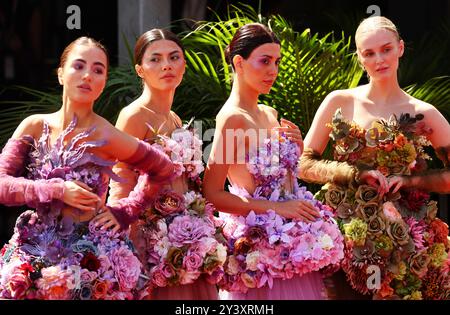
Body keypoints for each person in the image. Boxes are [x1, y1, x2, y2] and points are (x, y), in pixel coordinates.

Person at [0, 37, 174, 300]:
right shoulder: (34, 126)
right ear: (60, 74)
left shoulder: (107, 134)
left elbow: (163, 168)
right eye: (78, 66)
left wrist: (125, 211)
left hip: (93, 259)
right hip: (36, 252)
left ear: (103, 82)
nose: (88, 76)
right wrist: (57, 190)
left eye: (98, 70)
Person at [299, 16, 450, 300]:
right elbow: (304, 164)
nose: (379, 59)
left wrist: (409, 180)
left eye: (386, 49)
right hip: (342, 239)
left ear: (401, 48)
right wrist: (353, 174)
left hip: (407, 243)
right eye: (369, 53)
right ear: (359, 58)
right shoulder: (339, 101)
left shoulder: (423, 112)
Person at [203, 23, 344, 300]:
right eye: (264, 61)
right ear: (239, 63)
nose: (273, 71)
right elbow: (212, 194)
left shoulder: (269, 113)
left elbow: (284, 181)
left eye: (277, 62)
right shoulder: (233, 119)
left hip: (293, 245)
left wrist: (296, 149)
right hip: (261, 255)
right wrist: (280, 209)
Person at [107, 29, 223, 300]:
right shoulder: (133, 116)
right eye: (155, 59)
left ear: (183, 65)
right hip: (152, 242)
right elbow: (120, 181)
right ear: (139, 70)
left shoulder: (175, 118)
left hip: (188, 240)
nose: (166, 65)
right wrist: (123, 242)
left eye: (174, 57)